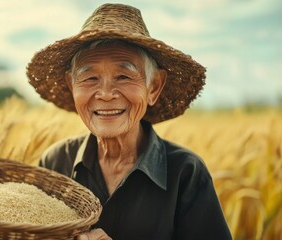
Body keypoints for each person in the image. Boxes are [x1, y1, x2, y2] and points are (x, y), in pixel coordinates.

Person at [27, 3, 232, 240]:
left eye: (123, 76)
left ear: (153, 87)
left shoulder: (185, 173)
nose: (105, 93)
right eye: (90, 77)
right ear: (72, 86)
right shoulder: (55, 163)